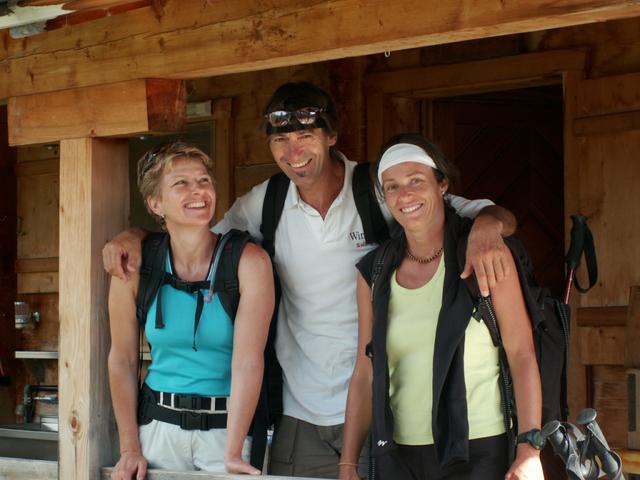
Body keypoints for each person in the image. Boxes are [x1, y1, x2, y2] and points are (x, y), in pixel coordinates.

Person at [103, 82, 517, 478]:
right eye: (281, 140)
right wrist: (136, 236)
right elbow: (198, 238)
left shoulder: (377, 189)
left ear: (331, 136)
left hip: (379, 402)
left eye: (305, 136)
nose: (293, 152)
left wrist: (486, 226)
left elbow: (486, 214)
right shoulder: (267, 201)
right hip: (298, 413)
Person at [340, 133, 544, 480]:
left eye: (416, 181)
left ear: (442, 185)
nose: (405, 195)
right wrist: (348, 462)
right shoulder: (374, 271)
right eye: (392, 187)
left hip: (478, 451)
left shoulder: (485, 255)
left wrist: (529, 450)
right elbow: (365, 371)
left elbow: (522, 353)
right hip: (398, 456)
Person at [107, 141, 274, 479]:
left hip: (226, 430)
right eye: (180, 183)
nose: (197, 191)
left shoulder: (249, 261)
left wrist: (232, 451)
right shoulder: (137, 265)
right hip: (157, 430)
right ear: (155, 203)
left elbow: (248, 362)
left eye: (203, 181)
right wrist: (129, 449)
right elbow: (121, 360)